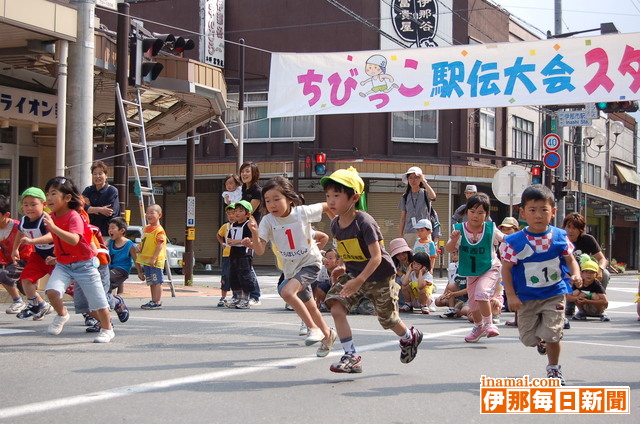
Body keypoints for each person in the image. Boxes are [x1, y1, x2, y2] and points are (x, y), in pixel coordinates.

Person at [321, 167, 423, 373]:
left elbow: (376, 257)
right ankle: (351, 355)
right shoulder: (335, 224)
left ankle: (409, 337)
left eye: (337, 195)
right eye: (328, 196)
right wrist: (340, 267)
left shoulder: (364, 222)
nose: (331, 201)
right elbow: (345, 249)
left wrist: (359, 281)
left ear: (354, 198)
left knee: (388, 320)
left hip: (380, 276)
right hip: (354, 274)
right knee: (336, 306)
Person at [501, 184, 582, 385]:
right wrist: (510, 295)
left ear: (553, 212)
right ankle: (542, 340)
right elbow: (506, 269)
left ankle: (554, 369)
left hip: (554, 293)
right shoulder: (514, 242)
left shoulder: (560, 237)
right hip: (526, 297)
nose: (538, 215)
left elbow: (570, 259)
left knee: (553, 334)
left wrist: (576, 274)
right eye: (533, 210)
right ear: (523, 213)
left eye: (544, 210)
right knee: (528, 339)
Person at [249, 176, 337, 357]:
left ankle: (313, 328)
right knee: (311, 306)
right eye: (267, 201)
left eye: (276, 199)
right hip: (291, 269)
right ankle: (328, 335)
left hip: (310, 262)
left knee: (287, 292)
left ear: (289, 199)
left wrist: (339, 229)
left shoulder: (302, 212)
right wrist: (255, 234)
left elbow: (328, 206)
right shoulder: (267, 221)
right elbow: (258, 251)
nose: (272, 204)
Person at [43, 176, 115, 343]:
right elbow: (53, 237)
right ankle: (62, 315)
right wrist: (33, 242)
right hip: (63, 264)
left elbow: (74, 239)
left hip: (85, 265)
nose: (49, 198)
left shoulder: (74, 216)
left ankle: (107, 329)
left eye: (54, 193)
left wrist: (53, 228)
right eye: (47, 194)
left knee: (98, 301)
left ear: (67, 198)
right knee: (51, 291)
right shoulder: (53, 216)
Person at [445, 192, 503, 343]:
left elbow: (506, 239)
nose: (475, 216)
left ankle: (489, 325)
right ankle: (478, 327)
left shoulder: (491, 229)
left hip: (489, 267)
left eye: (480, 212)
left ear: (486, 214)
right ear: (466, 212)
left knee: (482, 293)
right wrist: (453, 240)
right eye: (472, 212)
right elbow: (449, 249)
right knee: (473, 305)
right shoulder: (459, 230)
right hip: (471, 271)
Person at [10, 188, 54, 320]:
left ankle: (89, 313)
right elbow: (20, 232)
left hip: (56, 256)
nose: (29, 208)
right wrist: (15, 249)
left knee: (69, 288)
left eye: (33, 204)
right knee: (26, 279)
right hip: (39, 255)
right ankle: (36, 305)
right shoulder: (24, 220)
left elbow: (52, 236)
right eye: (25, 204)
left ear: (44, 205)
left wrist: (32, 241)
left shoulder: (46, 219)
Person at [0, 194, 35, 315]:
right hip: (9, 261)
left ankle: (18, 301)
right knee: (27, 289)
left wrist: (16, 260)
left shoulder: (17, 226)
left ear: (6, 215)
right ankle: (42, 305)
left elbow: (28, 248)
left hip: (24, 259)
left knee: (5, 276)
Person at [107, 217, 143, 321]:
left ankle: (113, 305)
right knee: (101, 289)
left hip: (121, 271)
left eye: (113, 228)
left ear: (122, 230)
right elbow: (100, 248)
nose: (110, 230)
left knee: (104, 283)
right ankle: (116, 302)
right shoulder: (110, 242)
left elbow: (136, 260)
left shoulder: (129, 244)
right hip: (109, 269)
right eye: (109, 228)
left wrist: (139, 273)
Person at [562, 212, 609, 291]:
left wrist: (600, 270)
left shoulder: (588, 239)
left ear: (581, 229)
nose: (570, 231)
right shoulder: (560, 240)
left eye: (574, 228)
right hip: (566, 273)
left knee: (606, 274)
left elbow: (602, 259)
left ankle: (598, 296)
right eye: (568, 227)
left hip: (586, 273)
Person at [226, 200, 259, 309]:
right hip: (234, 253)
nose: (237, 213)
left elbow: (252, 238)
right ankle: (237, 297)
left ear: (248, 214)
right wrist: (229, 241)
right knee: (233, 276)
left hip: (244, 254)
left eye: (241, 211)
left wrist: (237, 241)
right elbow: (230, 238)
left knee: (245, 275)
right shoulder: (233, 225)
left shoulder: (249, 224)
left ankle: (246, 298)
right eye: (235, 211)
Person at [239, 161, 262, 304]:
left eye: (248, 171)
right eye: (243, 171)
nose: (244, 174)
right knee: (242, 264)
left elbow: (249, 210)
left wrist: (236, 212)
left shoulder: (257, 191)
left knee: (248, 264)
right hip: (241, 228)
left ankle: (255, 295)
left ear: (254, 173)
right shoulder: (243, 189)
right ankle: (242, 295)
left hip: (251, 230)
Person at [136, 204, 167, 310]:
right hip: (147, 261)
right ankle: (153, 300)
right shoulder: (146, 228)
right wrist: (139, 247)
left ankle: (157, 301)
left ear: (159, 215)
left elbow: (160, 245)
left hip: (155, 261)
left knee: (157, 281)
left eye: (152, 213)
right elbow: (143, 241)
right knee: (151, 281)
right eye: (147, 213)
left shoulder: (159, 230)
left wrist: (154, 258)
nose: (148, 215)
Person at [398, 166, 438, 246]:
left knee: (425, 256)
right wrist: (400, 235)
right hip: (409, 232)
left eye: (416, 177)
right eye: (410, 178)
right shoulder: (405, 197)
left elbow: (433, 196)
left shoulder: (425, 193)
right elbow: (403, 218)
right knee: (411, 257)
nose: (413, 180)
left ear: (420, 179)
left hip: (425, 232)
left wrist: (424, 181)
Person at [82, 160, 120, 237]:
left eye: (100, 174)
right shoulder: (88, 190)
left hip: (107, 233)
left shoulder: (112, 191)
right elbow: (81, 208)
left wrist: (91, 209)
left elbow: (109, 213)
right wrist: (100, 209)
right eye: (95, 174)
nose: (97, 176)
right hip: (90, 232)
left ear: (106, 175)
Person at [497, 217, 520, 326]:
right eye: (503, 229)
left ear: (516, 229)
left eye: (509, 229)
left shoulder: (518, 241)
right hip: (508, 272)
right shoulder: (502, 243)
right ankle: (516, 319)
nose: (505, 232)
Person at [437, 250, 469, 319]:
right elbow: (451, 283)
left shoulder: (469, 268)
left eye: (455, 253)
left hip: (468, 298)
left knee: (464, 311)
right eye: (452, 253)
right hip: (459, 296)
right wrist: (445, 294)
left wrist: (453, 294)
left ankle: (478, 312)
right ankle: (452, 309)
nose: (452, 255)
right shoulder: (454, 266)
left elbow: (469, 289)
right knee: (438, 301)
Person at [216, 204, 236, 307]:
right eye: (229, 214)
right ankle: (223, 297)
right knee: (225, 275)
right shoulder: (226, 226)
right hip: (227, 255)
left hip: (238, 254)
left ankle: (236, 296)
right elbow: (218, 235)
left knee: (237, 275)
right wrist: (222, 243)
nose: (231, 216)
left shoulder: (241, 225)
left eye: (233, 213)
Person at [389, 237, 413, 308]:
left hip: (415, 285)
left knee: (400, 281)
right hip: (405, 284)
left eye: (404, 253)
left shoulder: (415, 262)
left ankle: (405, 303)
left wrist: (400, 273)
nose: (402, 256)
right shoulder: (396, 263)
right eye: (398, 254)